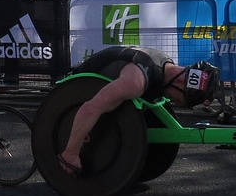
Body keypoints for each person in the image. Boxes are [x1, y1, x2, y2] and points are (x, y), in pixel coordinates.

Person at [56, 46, 221, 176]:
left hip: (107, 86)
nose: (175, 103)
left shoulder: (164, 63)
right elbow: (90, 108)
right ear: (179, 81)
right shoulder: (135, 82)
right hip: (74, 95)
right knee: (100, 105)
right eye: (179, 100)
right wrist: (71, 153)